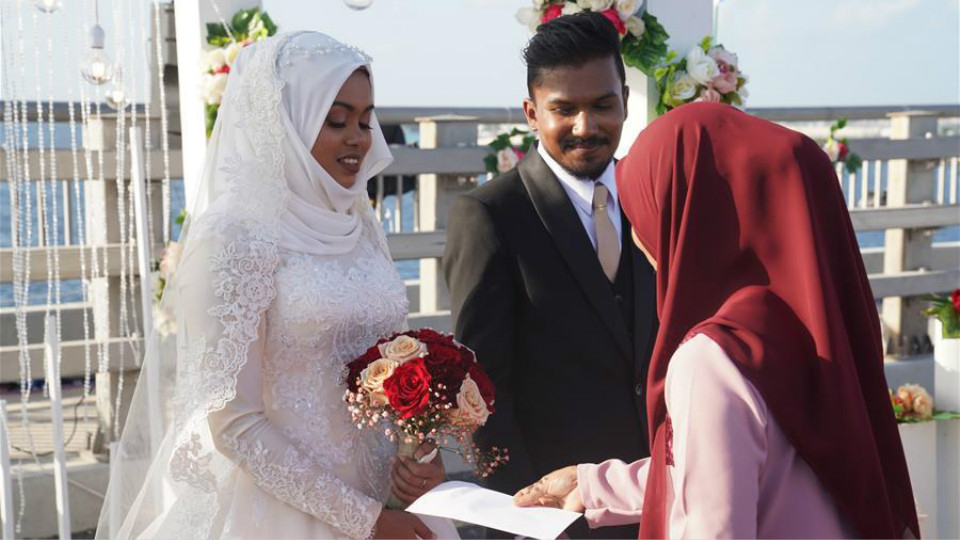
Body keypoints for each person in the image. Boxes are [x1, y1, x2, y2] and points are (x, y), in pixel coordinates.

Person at [96, 32, 456, 540]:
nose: (359, 136)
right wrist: (364, 520)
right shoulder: (232, 236)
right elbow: (233, 424)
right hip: (285, 512)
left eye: (364, 118)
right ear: (287, 121)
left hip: (388, 496)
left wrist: (421, 453)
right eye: (336, 120)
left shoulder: (360, 221)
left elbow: (393, 366)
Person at [514, 102, 920, 539]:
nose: (638, 234)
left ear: (694, 218)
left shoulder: (712, 359)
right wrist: (593, 486)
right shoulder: (813, 325)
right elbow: (740, 467)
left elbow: (715, 519)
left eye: (649, 209)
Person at [443, 13, 657, 538]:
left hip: (656, 501)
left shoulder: (654, 200)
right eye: (564, 109)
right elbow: (483, 392)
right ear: (532, 113)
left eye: (603, 105)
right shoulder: (489, 214)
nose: (586, 126)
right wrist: (526, 517)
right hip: (552, 517)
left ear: (625, 99)